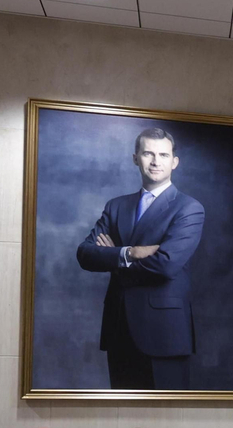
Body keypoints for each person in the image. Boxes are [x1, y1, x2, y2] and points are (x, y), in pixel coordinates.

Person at [75, 127, 205, 390]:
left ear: (174, 162)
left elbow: (166, 265)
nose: (156, 161)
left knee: (166, 422)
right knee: (123, 421)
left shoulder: (189, 208)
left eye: (163, 155)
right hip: (119, 329)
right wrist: (129, 252)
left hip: (165, 333)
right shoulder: (116, 206)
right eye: (148, 153)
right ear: (136, 158)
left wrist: (113, 259)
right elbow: (85, 254)